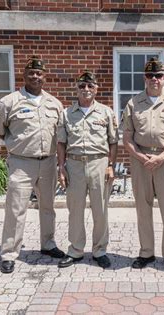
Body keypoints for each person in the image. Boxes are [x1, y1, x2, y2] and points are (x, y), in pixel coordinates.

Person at [0, 56, 65, 274]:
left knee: (48, 207)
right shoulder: (9, 102)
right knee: (16, 209)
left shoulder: (54, 103)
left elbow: (59, 135)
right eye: (31, 73)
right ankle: (9, 253)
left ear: (44, 77)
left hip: (48, 162)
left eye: (39, 73)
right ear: (24, 75)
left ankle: (48, 244)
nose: (35, 76)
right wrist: (16, 144)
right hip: (21, 163)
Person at [122, 57, 164, 273]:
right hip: (141, 160)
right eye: (150, 76)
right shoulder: (134, 103)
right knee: (143, 208)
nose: (154, 80)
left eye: (158, 75)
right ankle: (146, 252)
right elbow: (127, 137)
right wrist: (142, 158)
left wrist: (162, 157)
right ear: (145, 78)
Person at [57, 71, 118, 269]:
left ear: (96, 89)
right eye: (82, 86)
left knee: (100, 210)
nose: (86, 90)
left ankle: (100, 250)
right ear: (76, 88)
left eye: (90, 86)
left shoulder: (106, 112)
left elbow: (113, 142)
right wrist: (61, 168)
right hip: (74, 164)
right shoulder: (66, 114)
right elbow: (61, 143)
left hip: (99, 164)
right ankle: (75, 250)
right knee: (75, 210)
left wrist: (110, 165)